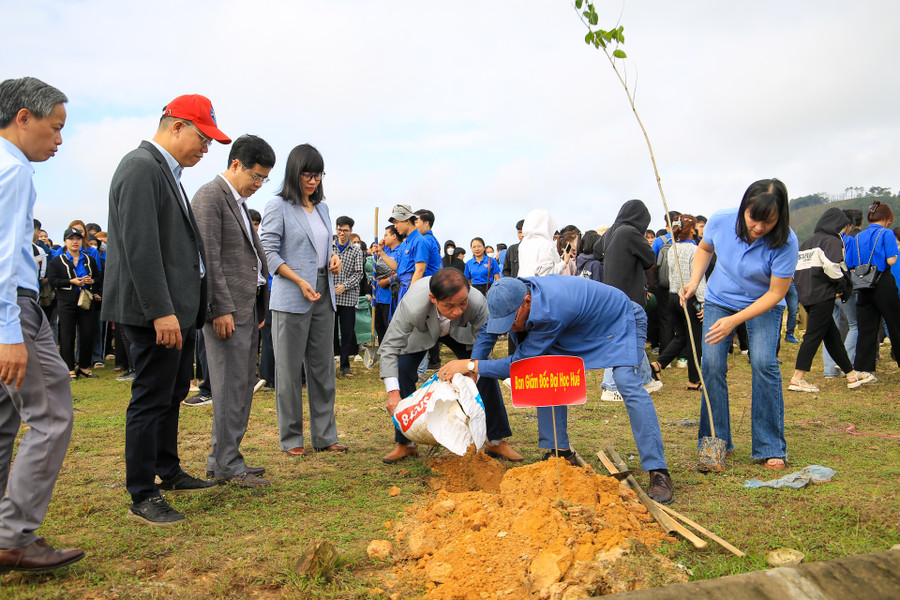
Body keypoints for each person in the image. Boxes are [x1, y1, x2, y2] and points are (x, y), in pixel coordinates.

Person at [103, 94, 230, 526]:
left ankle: (167, 468)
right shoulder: (141, 168)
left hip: (177, 311)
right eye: (202, 137)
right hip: (154, 314)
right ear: (176, 126)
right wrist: (160, 310)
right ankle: (142, 492)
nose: (205, 148)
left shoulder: (167, 172)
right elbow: (141, 248)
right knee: (150, 398)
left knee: (172, 394)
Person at [439, 276, 674, 504]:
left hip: (620, 319)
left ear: (527, 302)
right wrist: (474, 371)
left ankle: (658, 470)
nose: (510, 327)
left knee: (626, 381)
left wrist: (470, 364)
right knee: (547, 373)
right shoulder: (508, 295)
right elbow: (488, 333)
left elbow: (520, 365)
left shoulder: (550, 312)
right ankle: (560, 454)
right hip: (579, 324)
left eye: (512, 321)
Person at [0, 76, 84, 572]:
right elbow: (8, 260)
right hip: (15, 309)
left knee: (5, 422)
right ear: (23, 118)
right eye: (54, 129)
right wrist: (10, 332)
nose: (58, 140)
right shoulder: (14, 172)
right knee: (51, 416)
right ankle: (13, 535)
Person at [680, 179, 799, 471]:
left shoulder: (787, 242)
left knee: (763, 363)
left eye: (767, 222)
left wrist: (734, 321)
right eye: (753, 219)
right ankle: (716, 442)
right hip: (721, 298)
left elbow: (776, 293)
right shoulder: (721, 220)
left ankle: (770, 445)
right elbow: (705, 249)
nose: (758, 228)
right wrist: (695, 282)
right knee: (710, 365)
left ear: (779, 218)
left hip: (763, 303)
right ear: (744, 208)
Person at [191, 134, 274, 488]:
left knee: (240, 387)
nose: (258, 184)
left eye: (264, 179)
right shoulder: (211, 196)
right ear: (235, 164)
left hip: (245, 308)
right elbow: (207, 258)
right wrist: (218, 308)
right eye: (256, 176)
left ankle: (224, 458)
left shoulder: (236, 200)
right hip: (226, 311)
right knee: (227, 389)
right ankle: (226, 464)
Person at [379, 269, 520, 464]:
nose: (457, 311)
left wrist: (472, 369)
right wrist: (393, 394)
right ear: (433, 298)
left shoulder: (477, 301)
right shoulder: (412, 305)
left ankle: (496, 440)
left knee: (483, 370)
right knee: (402, 369)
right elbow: (389, 348)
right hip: (421, 334)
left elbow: (485, 339)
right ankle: (406, 443)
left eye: (462, 303)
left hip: (462, 333)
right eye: (449, 305)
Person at [259, 143, 346, 458]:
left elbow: (324, 247)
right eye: (307, 175)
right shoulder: (277, 207)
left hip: (325, 294)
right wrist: (298, 280)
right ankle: (291, 438)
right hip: (292, 295)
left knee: (323, 369)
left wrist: (333, 257)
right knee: (288, 370)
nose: (313, 181)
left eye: (318, 175)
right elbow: (268, 252)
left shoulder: (322, 209)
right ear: (294, 174)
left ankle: (325, 435)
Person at [789, 208, 875, 393]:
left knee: (832, 336)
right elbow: (833, 267)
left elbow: (798, 270)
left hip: (807, 295)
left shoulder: (807, 242)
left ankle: (851, 375)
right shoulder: (832, 241)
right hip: (823, 294)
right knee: (813, 336)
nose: (845, 230)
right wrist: (842, 287)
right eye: (844, 226)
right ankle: (797, 378)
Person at [598, 199, 660, 399]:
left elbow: (595, 249)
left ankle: (645, 380)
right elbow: (650, 259)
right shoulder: (630, 232)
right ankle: (610, 386)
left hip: (611, 293)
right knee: (622, 339)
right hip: (628, 294)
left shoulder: (611, 232)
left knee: (632, 336)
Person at [845, 200, 900, 374]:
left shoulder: (857, 237)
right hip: (883, 281)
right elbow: (891, 259)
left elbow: (850, 262)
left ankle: (863, 369)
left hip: (863, 283)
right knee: (895, 323)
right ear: (887, 218)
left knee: (866, 328)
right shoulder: (887, 233)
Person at [651, 215, 705, 390]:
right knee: (694, 338)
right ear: (692, 229)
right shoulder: (695, 250)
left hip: (673, 296)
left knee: (681, 336)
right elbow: (699, 278)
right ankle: (694, 380)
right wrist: (703, 302)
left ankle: (659, 364)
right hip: (689, 297)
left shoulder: (671, 248)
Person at [47, 227, 102, 380]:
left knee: (87, 333)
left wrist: (92, 282)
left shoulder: (89, 259)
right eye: (71, 239)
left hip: (85, 301)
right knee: (67, 335)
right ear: (66, 241)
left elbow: (98, 278)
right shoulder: (57, 261)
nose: (75, 242)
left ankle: (84, 366)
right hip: (66, 301)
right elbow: (52, 281)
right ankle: (69, 368)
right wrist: (70, 281)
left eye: (77, 239)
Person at [332, 216, 363, 377]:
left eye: (345, 230)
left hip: (348, 297)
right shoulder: (329, 248)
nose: (341, 233)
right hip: (330, 297)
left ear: (350, 231)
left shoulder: (356, 250)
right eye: (339, 230)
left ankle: (345, 365)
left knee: (347, 332)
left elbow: (359, 274)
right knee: (330, 331)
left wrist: (344, 286)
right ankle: (331, 362)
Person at [373, 225, 403, 344]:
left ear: (394, 236)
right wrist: (380, 247)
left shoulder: (401, 251)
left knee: (389, 327)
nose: (384, 238)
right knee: (379, 326)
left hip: (391, 297)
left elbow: (401, 272)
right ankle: (382, 353)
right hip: (379, 296)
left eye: (386, 235)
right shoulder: (385, 251)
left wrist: (387, 281)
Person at [518, 210, 571, 276]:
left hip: (523, 283)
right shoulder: (545, 244)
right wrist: (564, 262)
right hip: (537, 285)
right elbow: (546, 273)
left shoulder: (524, 243)